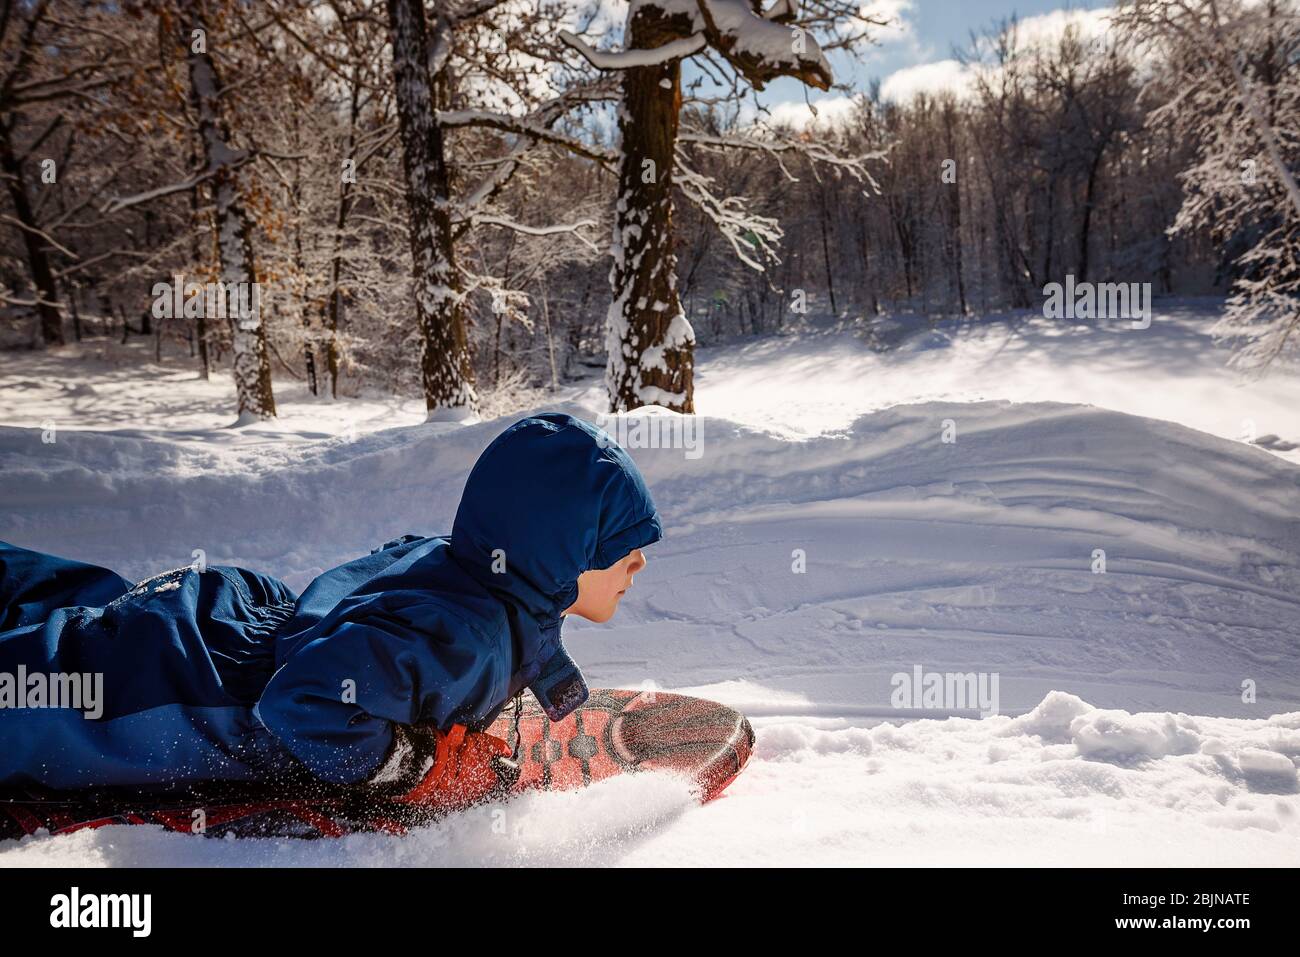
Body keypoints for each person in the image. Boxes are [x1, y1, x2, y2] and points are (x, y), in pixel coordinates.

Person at [0, 413, 661, 810]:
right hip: (184, 691)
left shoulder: (465, 570)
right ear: (555, 554)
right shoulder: (469, 635)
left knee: (77, 609)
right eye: (619, 550)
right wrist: (417, 764)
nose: (637, 565)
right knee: (38, 684)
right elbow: (306, 705)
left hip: (217, 619)